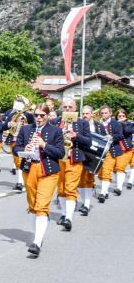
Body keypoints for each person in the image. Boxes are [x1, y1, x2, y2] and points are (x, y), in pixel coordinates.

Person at [15, 103, 63, 258]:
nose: (39, 118)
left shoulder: (55, 131)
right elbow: (16, 148)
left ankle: (36, 242)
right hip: (30, 169)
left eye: (42, 115)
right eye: (36, 115)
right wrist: (25, 150)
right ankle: (38, 236)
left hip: (48, 172)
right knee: (34, 206)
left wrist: (44, 145)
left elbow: (60, 153)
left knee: (42, 206)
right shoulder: (26, 129)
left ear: (48, 116)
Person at [53, 98, 92, 231]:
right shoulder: (56, 122)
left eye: (70, 107)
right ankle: (64, 214)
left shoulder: (82, 123)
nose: (67, 109)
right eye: (65, 107)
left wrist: (76, 136)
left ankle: (69, 218)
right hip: (58, 160)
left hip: (74, 159)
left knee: (70, 189)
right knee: (61, 189)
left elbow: (89, 142)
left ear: (75, 108)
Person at [95, 105, 129, 202]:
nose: (103, 115)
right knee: (101, 173)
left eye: (105, 113)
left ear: (110, 113)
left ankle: (102, 193)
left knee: (107, 171)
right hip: (100, 151)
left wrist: (111, 137)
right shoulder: (98, 124)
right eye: (102, 113)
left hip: (111, 150)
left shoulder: (115, 124)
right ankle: (105, 192)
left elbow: (120, 136)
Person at [77, 105, 98, 215]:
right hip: (80, 153)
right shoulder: (78, 124)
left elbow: (105, 138)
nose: (85, 115)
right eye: (83, 113)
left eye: (87, 113)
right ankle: (85, 200)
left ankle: (86, 204)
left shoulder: (98, 126)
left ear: (92, 114)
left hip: (92, 156)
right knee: (79, 181)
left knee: (88, 180)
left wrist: (108, 137)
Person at [112, 109, 133, 195]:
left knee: (120, 167)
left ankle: (119, 188)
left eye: (123, 116)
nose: (121, 118)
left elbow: (127, 131)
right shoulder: (113, 125)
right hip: (115, 148)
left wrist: (121, 123)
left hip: (126, 149)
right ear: (116, 117)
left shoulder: (129, 124)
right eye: (119, 116)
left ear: (126, 117)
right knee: (115, 169)